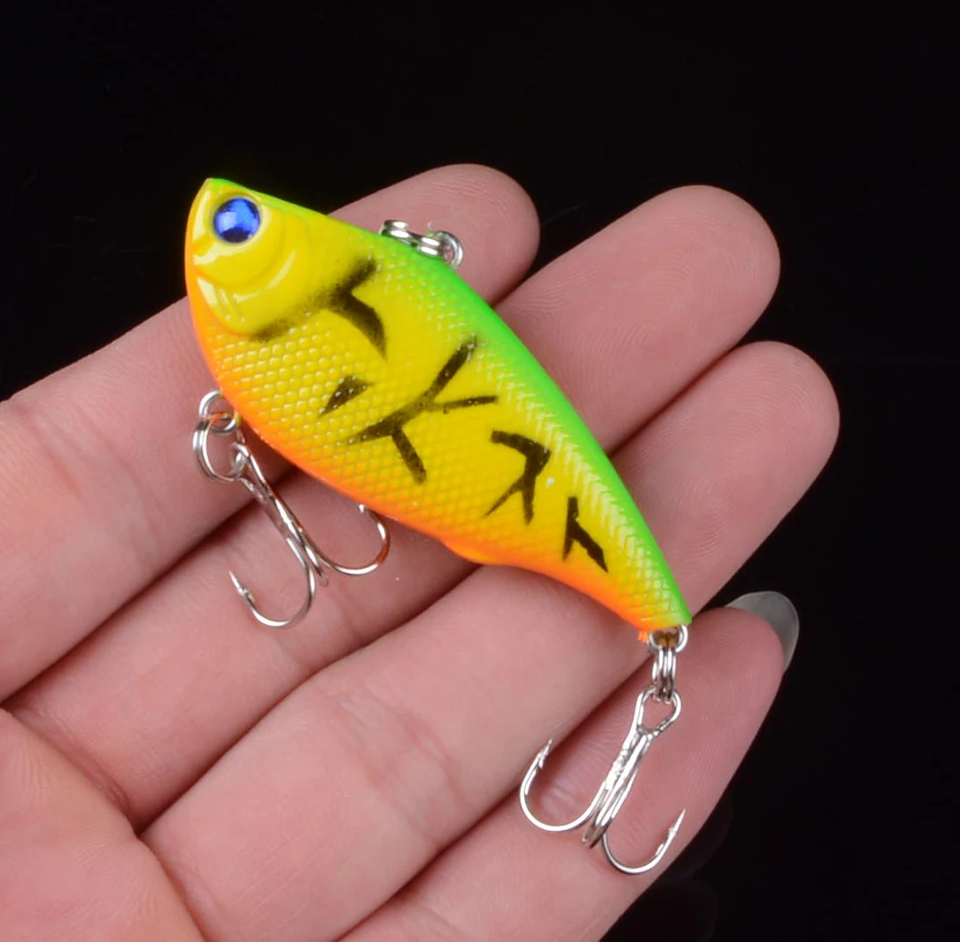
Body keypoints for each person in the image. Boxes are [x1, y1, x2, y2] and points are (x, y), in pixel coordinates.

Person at [0, 164, 836, 941]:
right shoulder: (270, 328)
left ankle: (649, 616)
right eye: (237, 225)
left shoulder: (302, 303)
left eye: (240, 223)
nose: (222, 223)